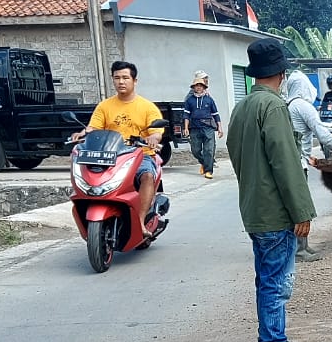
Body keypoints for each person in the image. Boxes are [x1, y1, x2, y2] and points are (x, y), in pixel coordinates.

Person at [227, 39, 315, 342]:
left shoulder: (243, 107)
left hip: (254, 209)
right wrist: (302, 210)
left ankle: (274, 336)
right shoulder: (274, 107)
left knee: (267, 278)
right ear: (281, 73)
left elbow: (238, 157)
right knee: (276, 281)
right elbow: (286, 164)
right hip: (276, 212)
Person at [70, 60, 164, 228]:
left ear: (135, 81)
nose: (121, 81)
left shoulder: (147, 107)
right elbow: (93, 127)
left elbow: (157, 132)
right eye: (117, 77)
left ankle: (141, 221)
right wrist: (81, 134)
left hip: (140, 155)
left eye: (125, 78)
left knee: (147, 176)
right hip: (111, 155)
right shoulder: (104, 106)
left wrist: (153, 138)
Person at [284, 69, 332, 261]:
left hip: (294, 160)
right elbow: (323, 136)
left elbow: (305, 132)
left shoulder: (289, 106)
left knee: (296, 205)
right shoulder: (303, 106)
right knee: (300, 207)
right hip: (296, 165)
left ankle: (303, 246)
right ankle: (299, 251)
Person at [183, 71, 222, 180]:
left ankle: (208, 170)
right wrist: (186, 127)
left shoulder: (209, 98)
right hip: (195, 127)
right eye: (197, 86)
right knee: (195, 150)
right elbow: (186, 114)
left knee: (209, 150)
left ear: (204, 87)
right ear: (194, 87)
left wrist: (220, 128)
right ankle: (205, 163)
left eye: (201, 85)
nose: (199, 88)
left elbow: (216, 114)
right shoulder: (189, 99)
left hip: (208, 127)